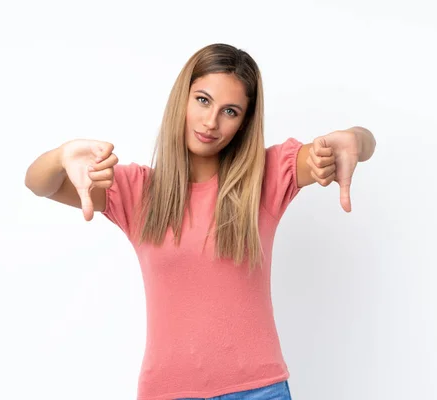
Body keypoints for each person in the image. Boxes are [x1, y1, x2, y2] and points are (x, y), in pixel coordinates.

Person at [25, 43, 376, 400]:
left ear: (244, 123)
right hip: (167, 392)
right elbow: (40, 184)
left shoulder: (265, 178)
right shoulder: (137, 191)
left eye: (230, 111)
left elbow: (359, 143)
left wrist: (354, 140)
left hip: (258, 390)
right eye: (203, 100)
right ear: (183, 98)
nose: (211, 122)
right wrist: (60, 156)